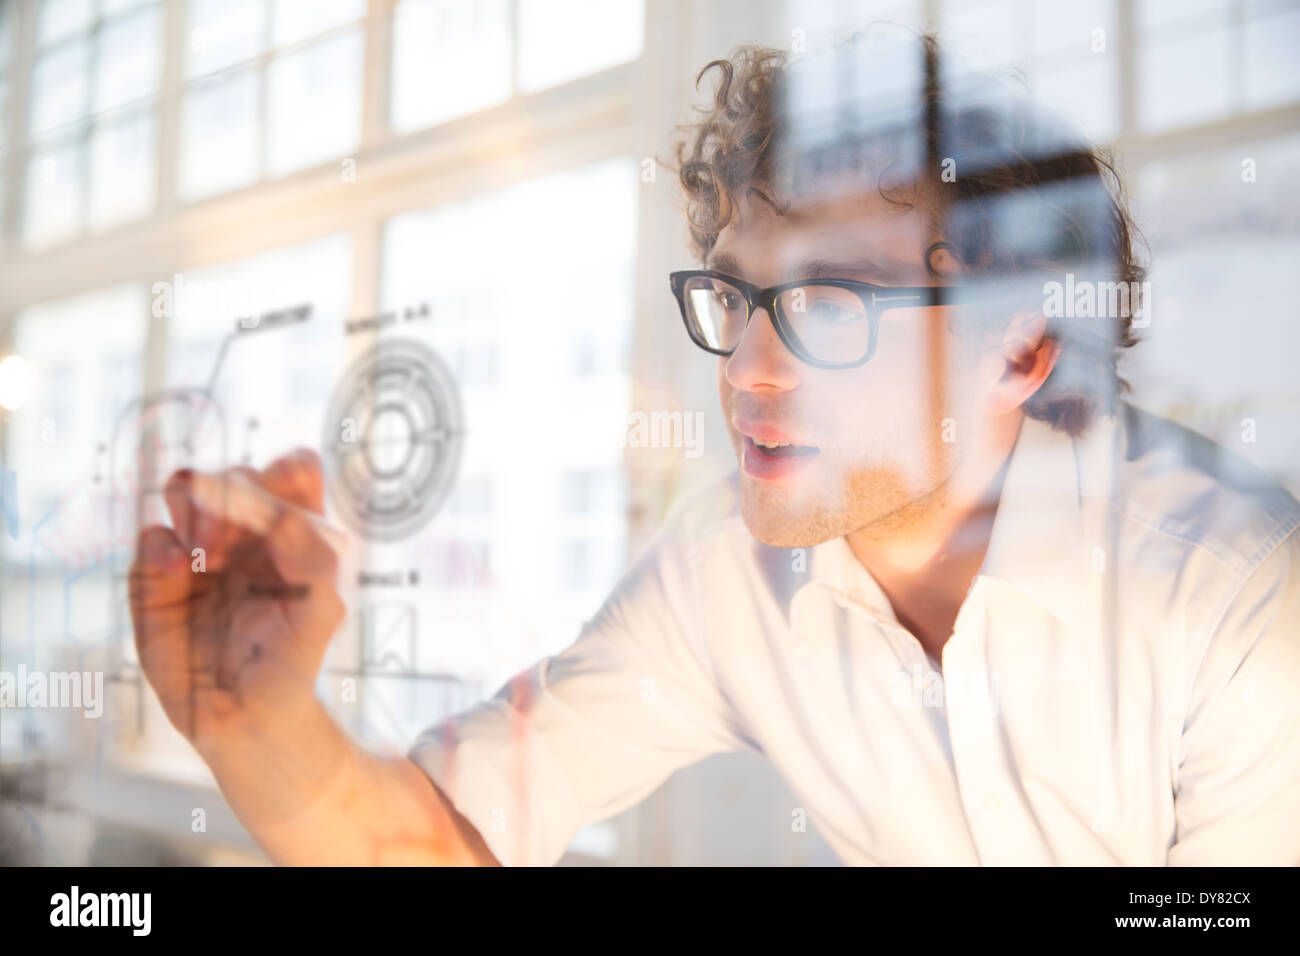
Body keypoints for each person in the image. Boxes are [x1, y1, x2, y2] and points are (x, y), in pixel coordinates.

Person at [129, 31, 1300, 866]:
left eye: (835, 304)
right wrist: (258, 718)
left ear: (1025, 343)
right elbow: (450, 839)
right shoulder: (722, 574)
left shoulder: (1239, 600)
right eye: (735, 298)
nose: (747, 369)